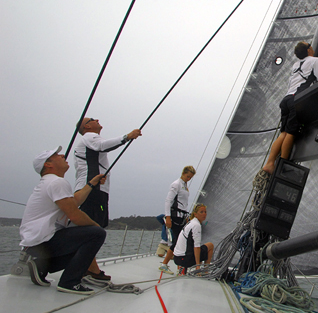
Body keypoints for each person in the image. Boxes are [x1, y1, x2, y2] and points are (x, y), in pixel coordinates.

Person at [19, 146, 106, 295]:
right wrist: (97, 228)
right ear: (48, 164)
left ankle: (41, 267)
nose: (62, 155)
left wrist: (91, 183)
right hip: (42, 242)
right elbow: (75, 215)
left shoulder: (50, 182)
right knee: (96, 234)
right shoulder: (56, 182)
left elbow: (74, 201)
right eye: (56, 155)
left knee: (87, 240)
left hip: (35, 244)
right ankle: (69, 283)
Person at [73, 117, 142, 280]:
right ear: (87, 126)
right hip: (92, 190)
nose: (97, 119)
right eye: (92, 119)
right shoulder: (89, 136)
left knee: (95, 228)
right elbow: (102, 146)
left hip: (94, 190)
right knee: (94, 229)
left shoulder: (88, 139)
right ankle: (88, 269)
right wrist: (127, 137)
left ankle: (88, 267)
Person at [262, 42, 318, 174]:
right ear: (309, 50)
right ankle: (282, 165)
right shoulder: (315, 61)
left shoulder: (295, 65)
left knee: (283, 133)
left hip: (286, 99)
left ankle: (269, 163)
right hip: (297, 100)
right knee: (291, 133)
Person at [158, 166, 196, 275]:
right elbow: (168, 201)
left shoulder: (185, 186)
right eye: (188, 176)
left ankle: (178, 265)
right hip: (175, 217)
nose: (189, 178)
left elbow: (183, 202)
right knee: (178, 241)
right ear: (183, 173)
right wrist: (168, 217)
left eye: (191, 177)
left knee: (181, 241)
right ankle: (165, 264)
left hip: (182, 217)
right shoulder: (176, 184)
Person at [173, 203, 214, 275]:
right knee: (210, 245)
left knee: (202, 250)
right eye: (201, 212)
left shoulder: (191, 223)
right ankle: (205, 271)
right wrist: (197, 266)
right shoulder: (196, 225)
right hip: (184, 259)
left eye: (205, 212)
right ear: (195, 214)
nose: (204, 214)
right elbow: (196, 247)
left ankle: (182, 268)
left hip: (177, 258)